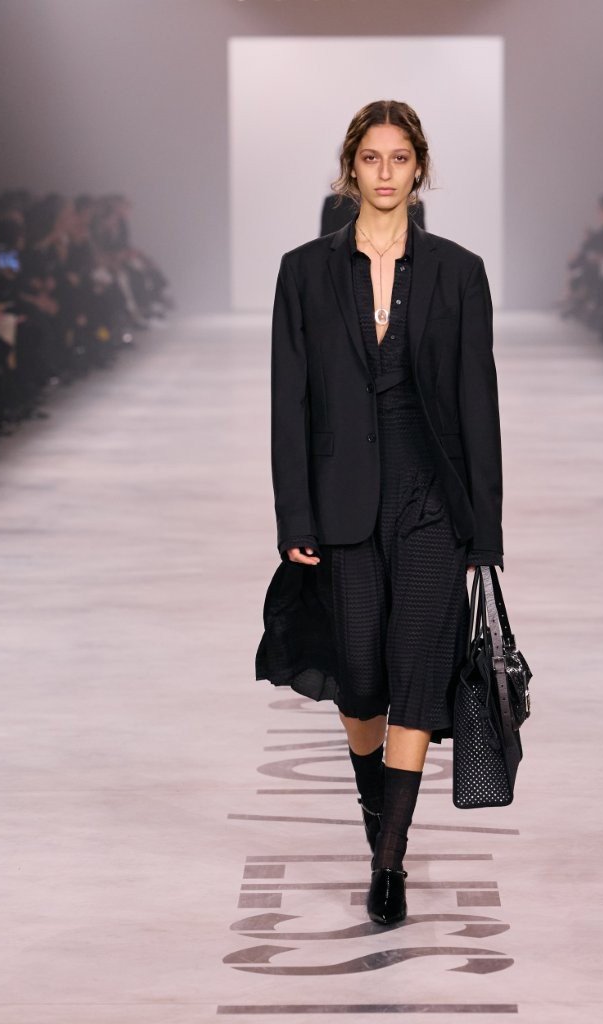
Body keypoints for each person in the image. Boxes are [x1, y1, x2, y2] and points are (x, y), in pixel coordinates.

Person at [255, 99, 504, 926]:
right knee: (360, 681)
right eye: (371, 158)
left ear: (419, 167)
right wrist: (294, 516)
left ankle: (388, 861)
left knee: (415, 672)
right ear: (350, 168)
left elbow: (477, 405)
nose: (386, 172)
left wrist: (485, 530)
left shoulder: (458, 271)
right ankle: (378, 822)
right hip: (342, 500)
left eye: (399, 158)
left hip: (430, 496)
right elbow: (288, 403)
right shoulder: (303, 270)